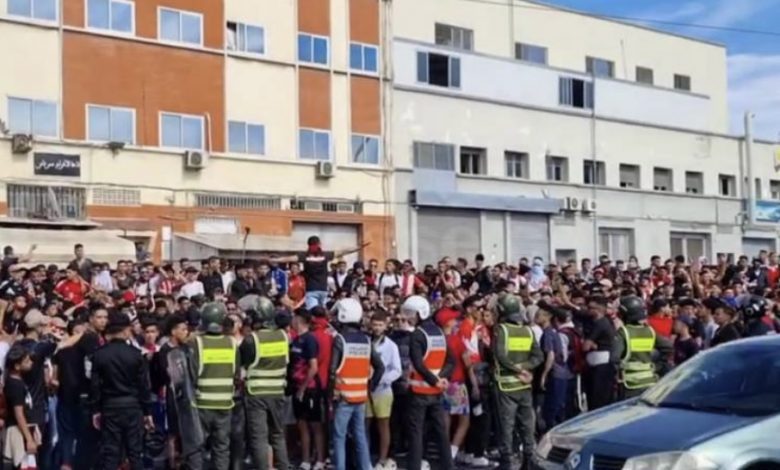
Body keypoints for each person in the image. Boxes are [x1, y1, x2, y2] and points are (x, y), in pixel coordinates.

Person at [89, 312, 154, 470]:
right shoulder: (136, 354)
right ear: (126, 330)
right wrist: (147, 411)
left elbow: (95, 386)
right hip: (133, 406)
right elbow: (144, 386)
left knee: (110, 453)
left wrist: (95, 410)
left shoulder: (99, 354)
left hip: (110, 406)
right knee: (135, 452)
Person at [328, 298, 384, 470]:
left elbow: (332, 371)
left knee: (339, 437)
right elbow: (380, 367)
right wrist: (370, 387)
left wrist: (331, 394)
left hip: (343, 397)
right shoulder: (366, 340)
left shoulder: (340, 339)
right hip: (360, 396)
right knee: (360, 435)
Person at [492, 293, 543, 470]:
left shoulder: (501, 330)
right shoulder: (528, 331)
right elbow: (538, 356)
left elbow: (499, 356)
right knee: (527, 424)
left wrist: (517, 368)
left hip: (506, 385)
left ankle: (506, 460)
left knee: (506, 425)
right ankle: (529, 458)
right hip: (524, 384)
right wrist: (525, 367)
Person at [239, 296, 291, 470]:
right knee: (278, 434)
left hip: (257, 394)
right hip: (278, 392)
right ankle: (283, 466)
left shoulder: (251, 339)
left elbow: (241, 362)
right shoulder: (283, 336)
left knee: (259, 438)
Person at [404, 295, 454, 470]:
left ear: (420, 314)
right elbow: (451, 361)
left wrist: (434, 381)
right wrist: (441, 379)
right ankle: (448, 466)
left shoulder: (417, 335)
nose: (408, 318)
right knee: (442, 433)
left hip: (419, 393)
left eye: (411, 314)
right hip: (437, 392)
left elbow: (418, 364)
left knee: (416, 433)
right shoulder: (439, 333)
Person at [192, 302, 238, 470]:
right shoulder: (232, 343)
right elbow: (236, 372)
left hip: (202, 403)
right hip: (225, 403)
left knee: (197, 445)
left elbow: (192, 373)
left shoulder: (197, 343)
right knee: (222, 446)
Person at [289, 310, 325, 470]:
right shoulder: (296, 340)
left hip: (310, 389)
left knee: (315, 425)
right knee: (301, 424)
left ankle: (320, 460)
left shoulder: (310, 339)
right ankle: (305, 460)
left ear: (299, 320)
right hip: (297, 387)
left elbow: (313, 367)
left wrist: (303, 388)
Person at [614, 296, 670, 399]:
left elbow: (614, 358)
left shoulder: (623, 332)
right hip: (649, 381)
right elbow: (668, 347)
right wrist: (658, 365)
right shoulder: (650, 331)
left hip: (630, 384)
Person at [366, 311, 402, 470]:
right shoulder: (366, 341)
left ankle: (382, 459)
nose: (377, 328)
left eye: (380, 325)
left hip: (383, 390)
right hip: (365, 389)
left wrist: (382, 380)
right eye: (375, 325)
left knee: (383, 425)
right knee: (365, 424)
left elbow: (397, 370)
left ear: (386, 326)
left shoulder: (391, 346)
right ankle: (365, 457)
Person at [3, 345, 38, 469]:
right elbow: (19, 414)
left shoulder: (17, 381)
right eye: (27, 361)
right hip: (18, 432)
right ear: (17, 366)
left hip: (22, 429)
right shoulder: (15, 386)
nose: (31, 363)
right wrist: (29, 439)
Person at [582, 295, 615, 410]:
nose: (588, 310)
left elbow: (585, 347)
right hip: (597, 365)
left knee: (597, 400)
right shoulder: (599, 322)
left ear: (599, 309)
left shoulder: (601, 324)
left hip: (600, 367)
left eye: (591, 308)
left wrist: (588, 344)